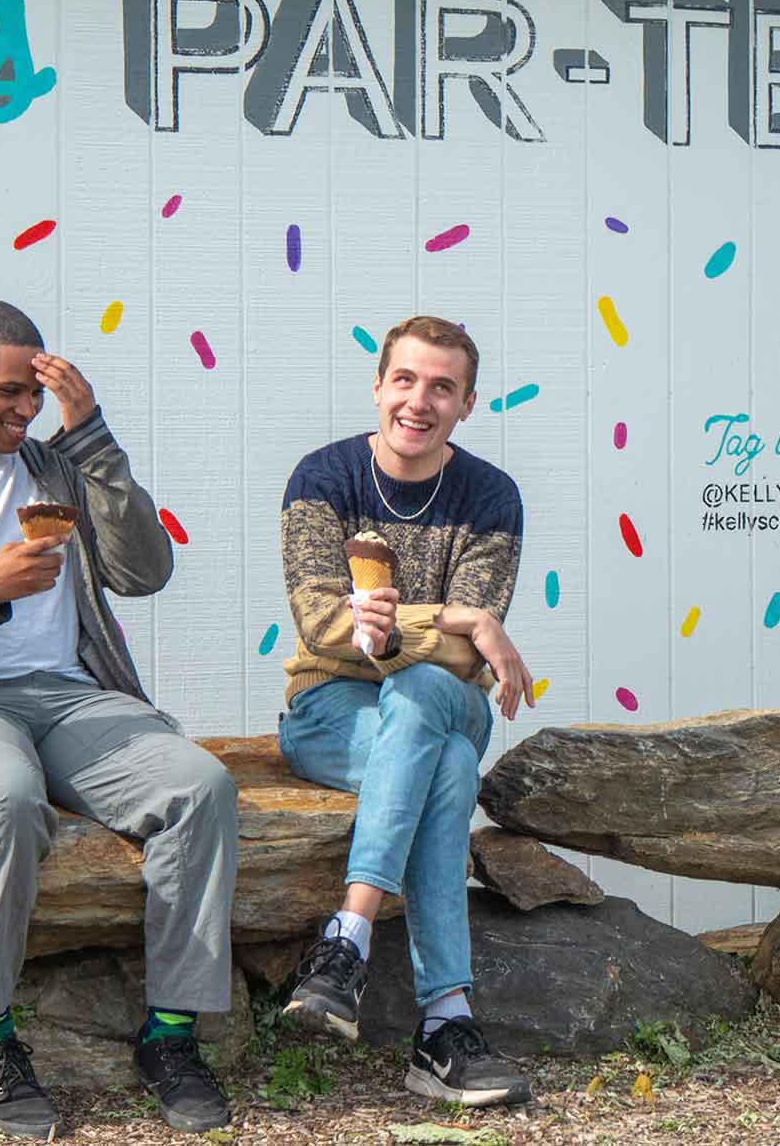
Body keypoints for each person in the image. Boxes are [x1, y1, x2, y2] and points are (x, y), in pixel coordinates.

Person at [0, 299, 238, 1138]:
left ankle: (171, 1034)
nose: (27, 408)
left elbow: (146, 571)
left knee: (201, 785)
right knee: (6, 796)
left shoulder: (60, 469)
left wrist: (93, 438)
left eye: (38, 392)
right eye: (9, 391)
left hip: (72, 693)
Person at [274, 315, 537, 1107]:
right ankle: (445, 1024)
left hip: (448, 702)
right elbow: (321, 622)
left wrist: (404, 634)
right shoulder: (322, 480)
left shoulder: (490, 498)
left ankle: (347, 937)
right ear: (378, 386)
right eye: (406, 380)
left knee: (422, 691)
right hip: (328, 711)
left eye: (442, 387)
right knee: (446, 765)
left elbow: (459, 666)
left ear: (467, 404)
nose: (419, 401)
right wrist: (461, 618)